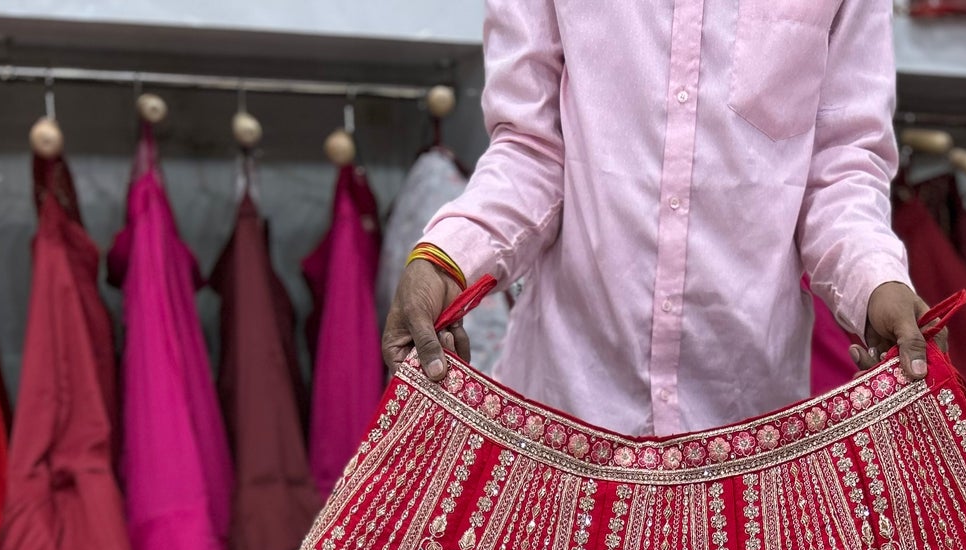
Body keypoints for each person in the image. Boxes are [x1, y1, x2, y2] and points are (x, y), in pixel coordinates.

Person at [383, 0, 927, 434]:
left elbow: (840, 171)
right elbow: (532, 149)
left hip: (746, 429)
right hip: (564, 416)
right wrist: (448, 258)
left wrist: (876, 283)